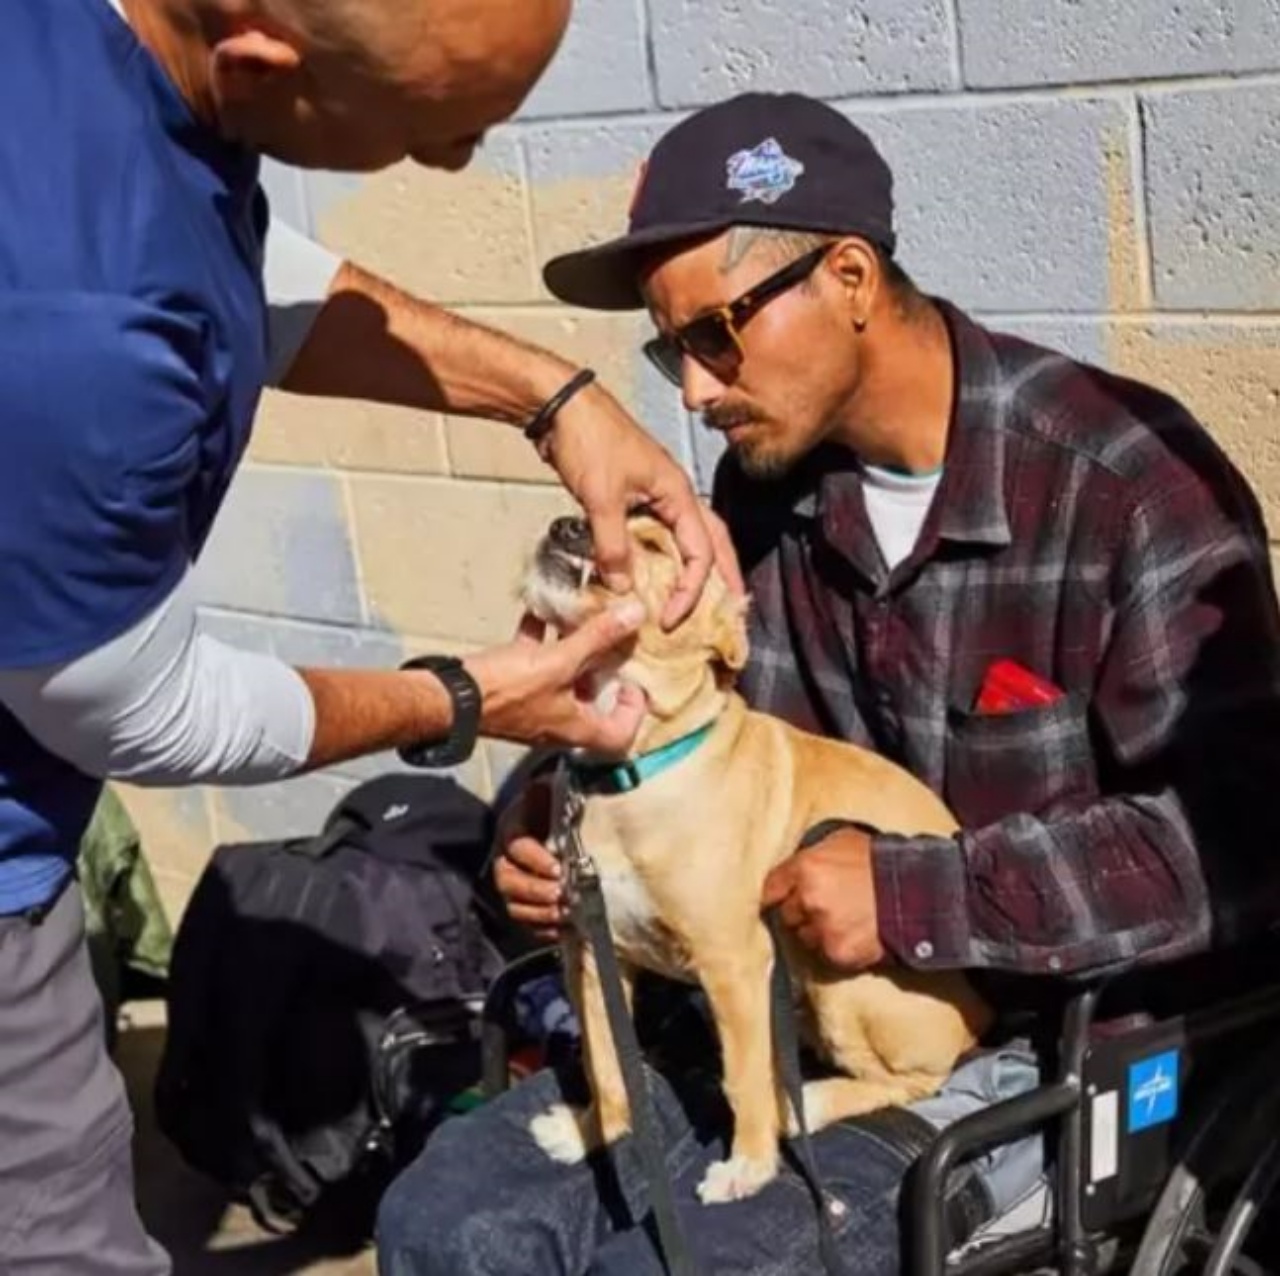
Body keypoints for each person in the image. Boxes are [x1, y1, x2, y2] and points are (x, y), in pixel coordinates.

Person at [375, 92, 1280, 1275]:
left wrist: (911, 895)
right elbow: (670, 740)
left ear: (848, 277)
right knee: (445, 1219)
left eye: (713, 335)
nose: (692, 392)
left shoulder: (1121, 489)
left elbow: (1238, 847)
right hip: (753, 1004)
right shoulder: (760, 498)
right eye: (671, 349)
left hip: (1035, 1051)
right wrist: (539, 826)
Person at [0, 2, 742, 1274]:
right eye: (431, 129)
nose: (457, 162)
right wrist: (468, 696)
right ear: (258, 61)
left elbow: (240, 261)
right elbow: (133, 706)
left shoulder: (88, 66)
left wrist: (550, 399)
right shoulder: (76, 327)